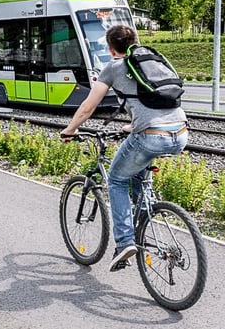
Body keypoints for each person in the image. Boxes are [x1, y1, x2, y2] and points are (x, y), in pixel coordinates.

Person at [60, 24, 187, 272]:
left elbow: (88, 107)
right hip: (180, 132)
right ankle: (147, 219)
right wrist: (134, 125)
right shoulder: (152, 60)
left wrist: (70, 129)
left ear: (110, 48)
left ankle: (125, 243)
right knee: (137, 174)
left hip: (151, 135)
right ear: (135, 41)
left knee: (117, 180)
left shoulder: (114, 67)